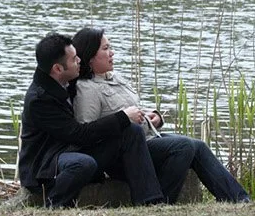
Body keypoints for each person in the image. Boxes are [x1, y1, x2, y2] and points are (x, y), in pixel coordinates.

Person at [72, 26, 250, 204]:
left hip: (148, 138)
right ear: (90, 56)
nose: (112, 53)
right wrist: (124, 118)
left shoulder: (115, 77)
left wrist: (152, 116)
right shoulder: (86, 88)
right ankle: (159, 202)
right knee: (183, 146)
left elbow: (133, 109)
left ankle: (239, 199)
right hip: (125, 156)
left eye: (110, 47)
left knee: (198, 146)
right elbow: (89, 132)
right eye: (105, 49)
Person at [18, 32, 165, 208]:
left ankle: (150, 201)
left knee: (131, 131)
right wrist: (123, 116)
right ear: (57, 69)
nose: (79, 60)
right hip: (45, 161)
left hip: (68, 150)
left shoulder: (66, 80)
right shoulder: (40, 99)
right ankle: (53, 205)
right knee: (82, 163)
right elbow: (78, 134)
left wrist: (136, 117)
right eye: (74, 59)